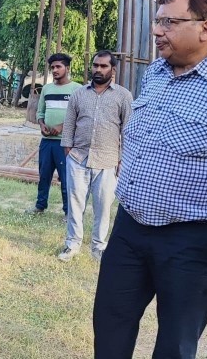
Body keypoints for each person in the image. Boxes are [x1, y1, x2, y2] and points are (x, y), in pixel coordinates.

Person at [93, 0, 207, 358]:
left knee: (175, 345)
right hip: (130, 228)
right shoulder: (154, 73)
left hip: (194, 241)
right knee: (110, 323)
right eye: (156, 21)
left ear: (205, 28)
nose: (156, 30)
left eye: (169, 22)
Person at [58, 50, 132, 262]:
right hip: (78, 158)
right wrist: (68, 150)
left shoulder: (123, 96)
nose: (98, 69)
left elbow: (128, 130)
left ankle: (99, 247)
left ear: (113, 69)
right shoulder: (79, 94)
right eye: (95, 65)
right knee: (75, 205)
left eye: (103, 66)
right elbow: (69, 123)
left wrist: (123, 159)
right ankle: (72, 245)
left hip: (108, 161)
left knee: (103, 207)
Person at [25, 53, 81, 216]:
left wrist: (62, 127)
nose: (55, 70)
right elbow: (40, 112)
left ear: (67, 68)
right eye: (53, 67)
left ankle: (68, 212)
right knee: (44, 175)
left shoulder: (77, 89)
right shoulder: (47, 89)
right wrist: (42, 124)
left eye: (58, 67)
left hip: (66, 143)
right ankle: (40, 206)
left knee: (66, 178)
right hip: (47, 142)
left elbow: (81, 116)